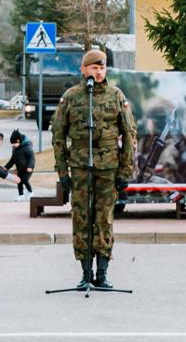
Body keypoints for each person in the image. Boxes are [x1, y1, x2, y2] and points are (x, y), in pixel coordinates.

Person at [51, 49, 138, 285]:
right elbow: (58, 136)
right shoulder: (71, 97)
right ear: (83, 69)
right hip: (80, 166)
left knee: (104, 219)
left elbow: (129, 134)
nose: (99, 72)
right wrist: (62, 172)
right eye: (94, 68)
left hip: (108, 167)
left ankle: (102, 273)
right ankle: (85, 274)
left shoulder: (115, 95)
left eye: (102, 68)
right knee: (81, 218)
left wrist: (125, 170)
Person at [9, 129, 35, 196]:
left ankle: (30, 192)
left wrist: (30, 166)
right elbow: (12, 159)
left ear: (18, 141)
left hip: (28, 169)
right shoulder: (15, 149)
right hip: (20, 168)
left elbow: (31, 158)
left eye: (14, 143)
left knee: (25, 180)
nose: (13, 145)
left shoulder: (28, 148)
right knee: (19, 181)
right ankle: (21, 195)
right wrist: (7, 167)